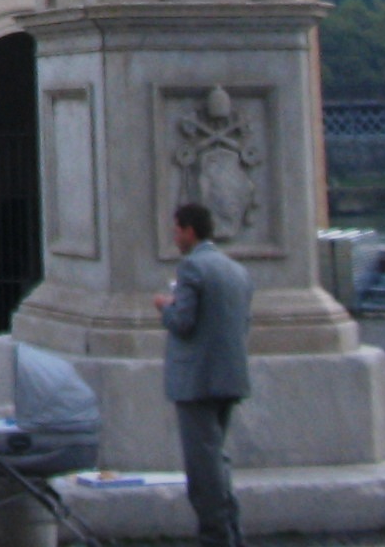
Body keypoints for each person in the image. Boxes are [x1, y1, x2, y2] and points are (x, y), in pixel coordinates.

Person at [153, 202, 253, 547]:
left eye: (176, 229)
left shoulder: (192, 268)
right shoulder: (237, 271)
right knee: (217, 460)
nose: (174, 236)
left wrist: (165, 308)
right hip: (230, 377)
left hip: (197, 382)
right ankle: (231, 531)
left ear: (189, 231)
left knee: (203, 467)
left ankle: (216, 535)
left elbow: (184, 322)